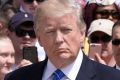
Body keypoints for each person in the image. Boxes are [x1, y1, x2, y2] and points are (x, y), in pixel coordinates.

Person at [4, 0, 120, 80]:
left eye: (66, 30)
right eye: (50, 32)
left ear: (82, 34)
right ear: (39, 38)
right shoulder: (17, 78)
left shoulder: (112, 77)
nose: (59, 39)